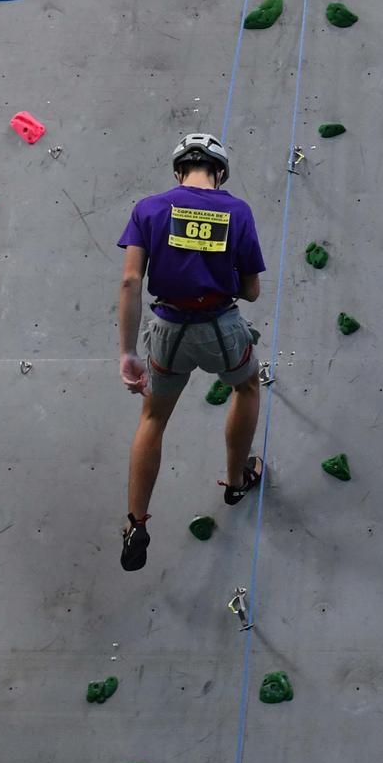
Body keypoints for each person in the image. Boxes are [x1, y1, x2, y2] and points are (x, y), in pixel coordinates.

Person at [115, 134, 268, 571]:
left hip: (168, 331)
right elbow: (252, 291)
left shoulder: (148, 209)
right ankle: (237, 481)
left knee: (153, 419)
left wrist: (128, 351)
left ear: (179, 170)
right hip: (220, 327)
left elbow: (130, 282)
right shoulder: (237, 211)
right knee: (246, 388)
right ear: (220, 172)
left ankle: (136, 523)